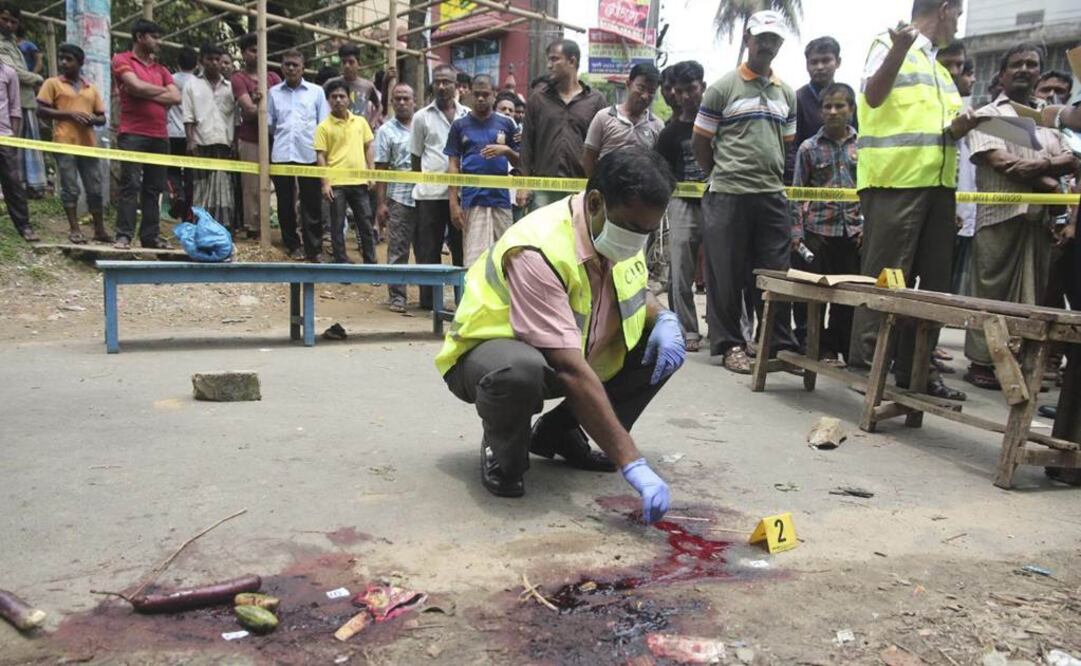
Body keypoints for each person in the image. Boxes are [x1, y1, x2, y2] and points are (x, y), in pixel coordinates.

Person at [435, 147, 683, 523]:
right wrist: (632, 463)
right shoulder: (540, 247)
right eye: (633, 230)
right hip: (491, 357)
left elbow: (632, 290)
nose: (638, 241)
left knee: (656, 350)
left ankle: (559, 433)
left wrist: (665, 319)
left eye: (648, 232)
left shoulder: (621, 228)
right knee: (519, 370)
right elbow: (568, 368)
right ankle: (503, 450)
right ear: (596, 202)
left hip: (575, 352)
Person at [848, 0, 978, 401]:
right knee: (887, 279)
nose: (958, 24)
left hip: (938, 189)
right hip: (894, 183)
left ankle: (916, 372)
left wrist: (963, 125)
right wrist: (899, 50)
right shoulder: (887, 45)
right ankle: (868, 369)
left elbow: (939, 131)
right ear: (943, 8)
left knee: (932, 287)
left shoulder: (940, 71)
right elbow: (871, 96)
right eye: (957, 14)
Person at [962, 44, 1078, 390]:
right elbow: (1006, 165)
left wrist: (1041, 172)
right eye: (1017, 64)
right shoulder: (988, 114)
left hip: (1040, 221)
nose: (1025, 69)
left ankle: (1022, 364)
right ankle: (983, 363)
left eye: (1032, 64)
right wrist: (1048, 172)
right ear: (1002, 74)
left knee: (1033, 296)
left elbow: (1072, 157)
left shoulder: (1048, 118)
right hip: (999, 216)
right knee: (991, 294)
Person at [691, 10, 800, 375]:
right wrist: (718, 175)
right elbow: (700, 141)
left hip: (770, 196)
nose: (767, 45)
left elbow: (787, 144)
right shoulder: (723, 87)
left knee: (774, 273)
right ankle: (729, 344)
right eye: (761, 38)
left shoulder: (786, 93)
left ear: (780, 44)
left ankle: (775, 342)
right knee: (726, 273)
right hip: (728, 194)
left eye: (773, 39)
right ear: (748, 39)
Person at [791, 83, 863, 364]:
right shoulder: (808, 149)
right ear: (820, 112)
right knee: (813, 296)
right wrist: (796, 234)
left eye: (839, 106)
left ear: (851, 110)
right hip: (817, 233)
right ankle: (814, 345)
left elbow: (870, 192)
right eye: (827, 107)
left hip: (852, 234)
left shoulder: (864, 147)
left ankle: (838, 344)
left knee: (847, 298)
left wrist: (865, 227)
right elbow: (797, 193)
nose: (833, 112)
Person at [111, 18, 180, 249]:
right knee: (130, 184)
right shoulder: (122, 59)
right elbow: (134, 86)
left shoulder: (161, 69)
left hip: (160, 135)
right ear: (140, 37)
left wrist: (144, 91)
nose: (159, 42)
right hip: (132, 132)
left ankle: (150, 237)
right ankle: (124, 235)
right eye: (155, 36)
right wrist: (159, 93)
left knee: (154, 188)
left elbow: (176, 97)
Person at [656, 60, 708, 353]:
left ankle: (729, 328)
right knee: (681, 268)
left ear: (703, 86)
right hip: (681, 204)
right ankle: (687, 328)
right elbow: (659, 167)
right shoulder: (670, 132)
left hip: (718, 200)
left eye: (692, 88)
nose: (687, 96)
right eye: (681, 91)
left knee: (723, 268)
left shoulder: (716, 124)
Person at [520, 40, 606, 209]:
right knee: (542, 234)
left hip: (582, 187)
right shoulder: (537, 99)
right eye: (548, 60)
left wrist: (598, 185)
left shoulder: (596, 101)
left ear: (572, 61)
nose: (549, 65)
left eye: (554, 59)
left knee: (578, 234)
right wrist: (523, 184)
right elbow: (526, 145)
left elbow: (602, 147)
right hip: (543, 188)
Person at [36, 43, 108, 244]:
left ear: (80, 63)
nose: (63, 63)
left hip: (88, 143)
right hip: (64, 141)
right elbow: (40, 110)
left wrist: (91, 119)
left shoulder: (90, 88)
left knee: (94, 188)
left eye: (69, 59)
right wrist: (69, 114)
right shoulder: (52, 83)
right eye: (61, 58)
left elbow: (102, 118)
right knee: (70, 187)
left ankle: (99, 230)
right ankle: (74, 229)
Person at [445, 74, 520, 266]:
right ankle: (475, 296)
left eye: (485, 94)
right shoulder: (459, 125)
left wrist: (507, 151)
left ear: (494, 94)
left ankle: (502, 297)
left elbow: (522, 162)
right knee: (474, 260)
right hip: (472, 199)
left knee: (505, 258)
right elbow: (453, 165)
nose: (480, 98)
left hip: (501, 199)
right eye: (476, 94)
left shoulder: (507, 124)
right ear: (470, 93)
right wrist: (453, 203)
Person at [411, 64, 469, 307]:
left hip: (462, 196)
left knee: (461, 250)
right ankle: (428, 302)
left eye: (447, 82)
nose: (442, 86)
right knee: (428, 250)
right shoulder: (421, 117)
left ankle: (462, 301)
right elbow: (416, 157)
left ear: (457, 86)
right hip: (430, 195)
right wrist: (426, 179)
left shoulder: (468, 115)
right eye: (438, 82)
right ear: (433, 85)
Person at [268, 51, 329, 261]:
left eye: (295, 65)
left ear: (303, 68)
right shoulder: (273, 93)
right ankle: (292, 244)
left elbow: (323, 125)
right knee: (284, 203)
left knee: (311, 203)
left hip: (309, 154)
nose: (291, 68)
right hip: (282, 154)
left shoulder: (316, 92)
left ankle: (314, 248)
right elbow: (270, 124)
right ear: (282, 67)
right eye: (287, 65)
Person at [315, 79, 376, 264]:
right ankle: (342, 264)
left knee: (365, 223)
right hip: (336, 183)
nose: (338, 100)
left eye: (342, 96)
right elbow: (321, 156)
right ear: (328, 100)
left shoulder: (360, 122)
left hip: (359, 182)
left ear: (349, 99)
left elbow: (369, 147)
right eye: (334, 97)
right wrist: (325, 183)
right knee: (337, 225)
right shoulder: (323, 127)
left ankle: (371, 264)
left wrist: (371, 172)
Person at [784, 36, 857, 186]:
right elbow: (791, 147)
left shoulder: (847, 99)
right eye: (814, 62)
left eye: (825, 60)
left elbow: (856, 138)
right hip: (809, 181)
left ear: (838, 62)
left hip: (847, 180)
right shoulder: (797, 99)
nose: (820, 67)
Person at [232, 33, 281, 240]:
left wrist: (262, 104)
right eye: (252, 50)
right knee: (251, 185)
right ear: (244, 54)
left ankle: (287, 224)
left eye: (260, 49)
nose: (257, 54)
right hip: (250, 138)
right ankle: (253, 228)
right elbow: (249, 110)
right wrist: (260, 105)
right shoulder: (238, 78)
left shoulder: (273, 77)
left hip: (275, 139)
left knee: (284, 183)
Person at [183, 43, 236, 230]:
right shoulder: (191, 84)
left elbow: (236, 116)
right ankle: (201, 228)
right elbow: (188, 116)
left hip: (224, 143)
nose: (214, 63)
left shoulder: (230, 87)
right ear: (201, 61)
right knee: (201, 188)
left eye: (217, 60)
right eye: (210, 59)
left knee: (223, 188)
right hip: (201, 142)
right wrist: (190, 141)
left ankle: (222, 229)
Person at [375, 83, 418, 313]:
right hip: (399, 197)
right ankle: (397, 297)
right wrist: (381, 204)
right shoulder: (385, 131)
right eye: (397, 99)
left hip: (426, 195)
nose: (402, 102)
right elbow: (381, 168)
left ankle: (428, 297)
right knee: (398, 249)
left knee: (425, 249)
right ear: (391, 102)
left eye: (406, 98)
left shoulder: (422, 124)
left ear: (414, 101)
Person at [581, 64, 663, 178]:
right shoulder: (603, 117)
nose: (645, 96)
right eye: (641, 88)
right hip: (607, 190)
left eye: (651, 91)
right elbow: (588, 157)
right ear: (628, 84)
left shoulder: (657, 125)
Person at [0, 4, 45, 199]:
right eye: (5, 19)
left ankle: (23, 188)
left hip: (23, 102)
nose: (9, 25)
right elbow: (13, 72)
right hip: (7, 106)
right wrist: (38, 79)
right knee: (8, 150)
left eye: (13, 22)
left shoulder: (13, 43)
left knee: (20, 148)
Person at [950, 55, 978, 297]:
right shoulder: (953, 114)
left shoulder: (971, 113)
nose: (972, 79)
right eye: (966, 72)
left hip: (966, 210)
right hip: (950, 208)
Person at [0, 60, 30, 240]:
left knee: (13, 182)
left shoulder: (8, 72)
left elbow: (15, 108)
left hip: (4, 135)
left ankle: (24, 226)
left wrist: (15, 139)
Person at [166, 47, 196, 222]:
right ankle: (188, 213)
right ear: (197, 64)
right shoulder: (199, 83)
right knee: (191, 175)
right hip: (191, 135)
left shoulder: (170, 80)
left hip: (172, 132)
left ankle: (177, 194)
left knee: (172, 170)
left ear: (178, 63)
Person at [323, 44, 380, 127]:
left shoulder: (367, 86)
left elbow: (379, 106)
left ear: (359, 64)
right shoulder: (331, 83)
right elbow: (317, 102)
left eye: (351, 62)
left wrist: (372, 122)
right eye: (344, 62)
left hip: (360, 132)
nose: (347, 66)